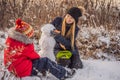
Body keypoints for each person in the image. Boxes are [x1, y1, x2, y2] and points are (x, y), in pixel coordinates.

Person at [4, 19, 75, 80]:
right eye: (30, 35)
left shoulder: (11, 40)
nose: (31, 36)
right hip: (22, 71)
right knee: (45, 61)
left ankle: (44, 70)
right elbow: (34, 56)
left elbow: (23, 55)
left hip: (13, 68)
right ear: (25, 36)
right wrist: (39, 59)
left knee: (39, 62)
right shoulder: (24, 45)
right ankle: (64, 74)